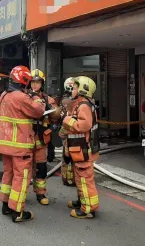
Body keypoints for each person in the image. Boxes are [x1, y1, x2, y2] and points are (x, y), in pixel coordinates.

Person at [0, 66, 45, 223]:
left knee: (8, 174)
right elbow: (38, 111)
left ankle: (5, 204)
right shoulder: (21, 97)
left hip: (6, 145)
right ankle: (17, 211)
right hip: (20, 146)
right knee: (21, 178)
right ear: (24, 81)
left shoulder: (4, 96)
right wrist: (36, 97)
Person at [60, 76, 100, 219]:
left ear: (83, 90)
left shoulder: (84, 106)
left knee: (84, 179)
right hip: (79, 150)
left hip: (83, 150)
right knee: (79, 178)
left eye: (76, 87)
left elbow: (83, 125)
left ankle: (88, 209)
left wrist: (66, 120)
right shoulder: (81, 104)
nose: (73, 90)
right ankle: (82, 202)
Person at [29, 69, 60, 205]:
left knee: (41, 167)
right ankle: (20, 194)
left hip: (41, 139)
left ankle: (40, 194)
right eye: (33, 82)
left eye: (38, 82)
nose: (35, 85)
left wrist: (50, 108)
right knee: (24, 169)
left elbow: (57, 115)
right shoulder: (24, 97)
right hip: (27, 138)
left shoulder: (48, 99)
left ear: (42, 84)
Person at [60, 77, 76, 187]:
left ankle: (66, 178)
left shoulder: (63, 100)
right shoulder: (76, 100)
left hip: (65, 129)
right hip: (73, 130)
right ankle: (72, 178)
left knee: (65, 156)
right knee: (73, 155)